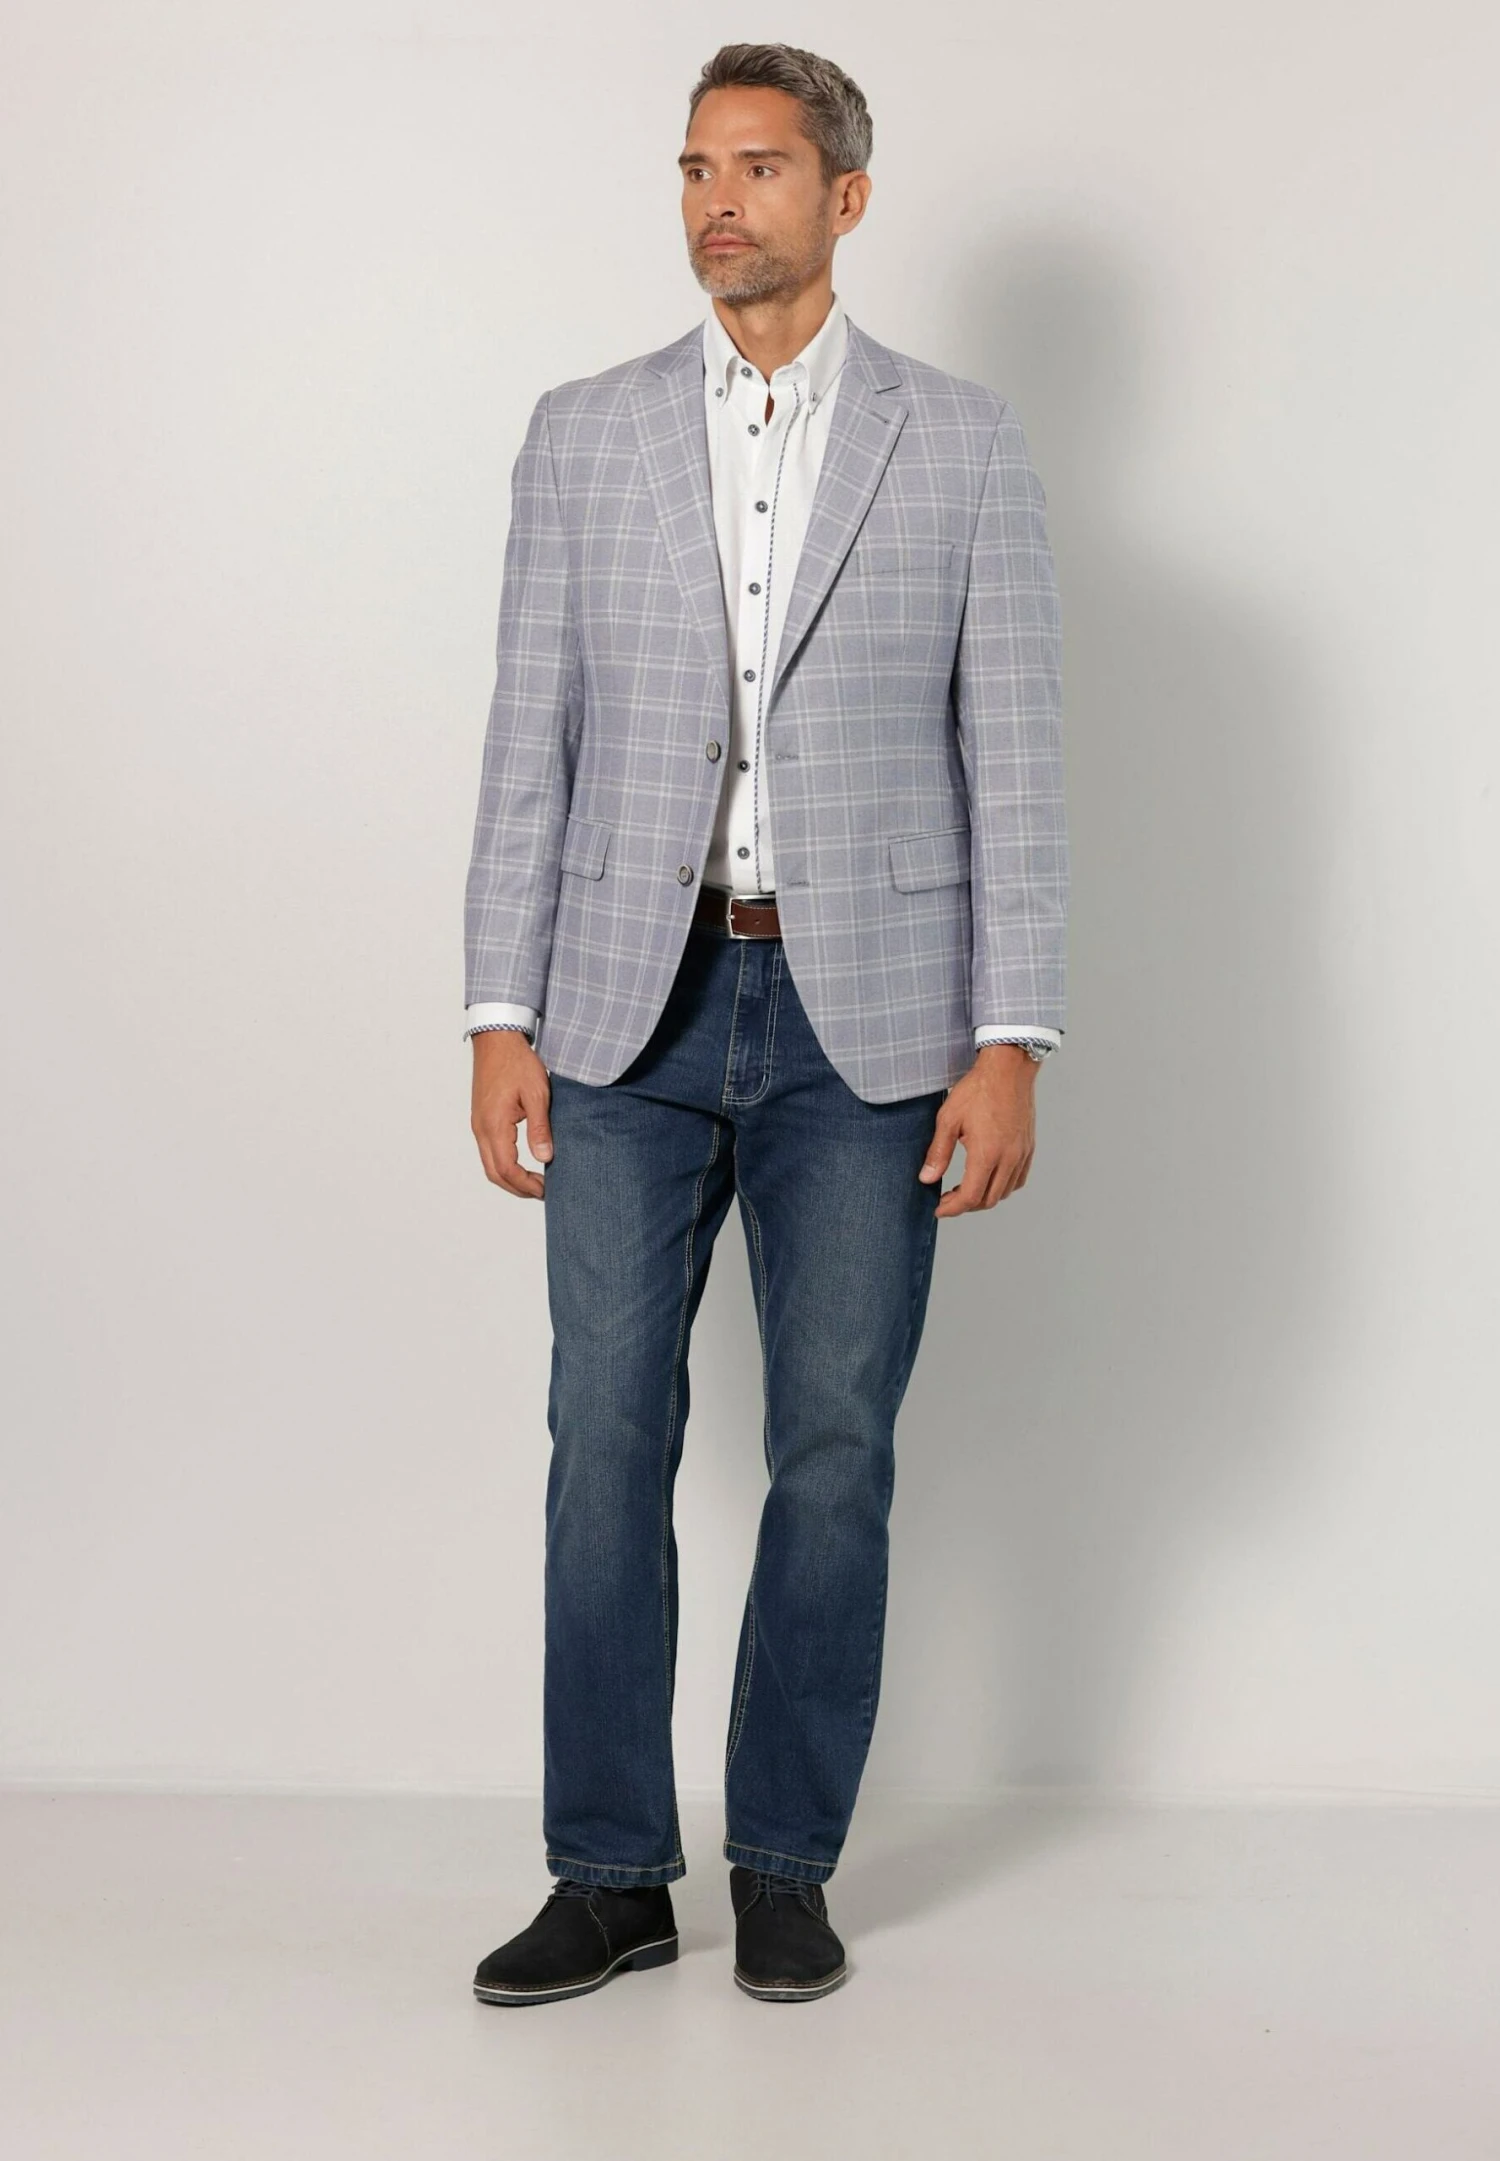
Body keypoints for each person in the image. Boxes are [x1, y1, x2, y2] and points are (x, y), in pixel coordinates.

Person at [461, 40, 1067, 2007]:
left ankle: (786, 1864)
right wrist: (497, 1008)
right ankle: (610, 1873)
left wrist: (1011, 1035)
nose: (719, 201)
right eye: (697, 167)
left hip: (867, 1022)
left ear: (846, 198)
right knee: (603, 1442)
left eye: (761, 167)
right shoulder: (583, 433)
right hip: (620, 1012)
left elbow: (1015, 760)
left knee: (833, 1448)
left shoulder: (958, 441)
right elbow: (530, 740)